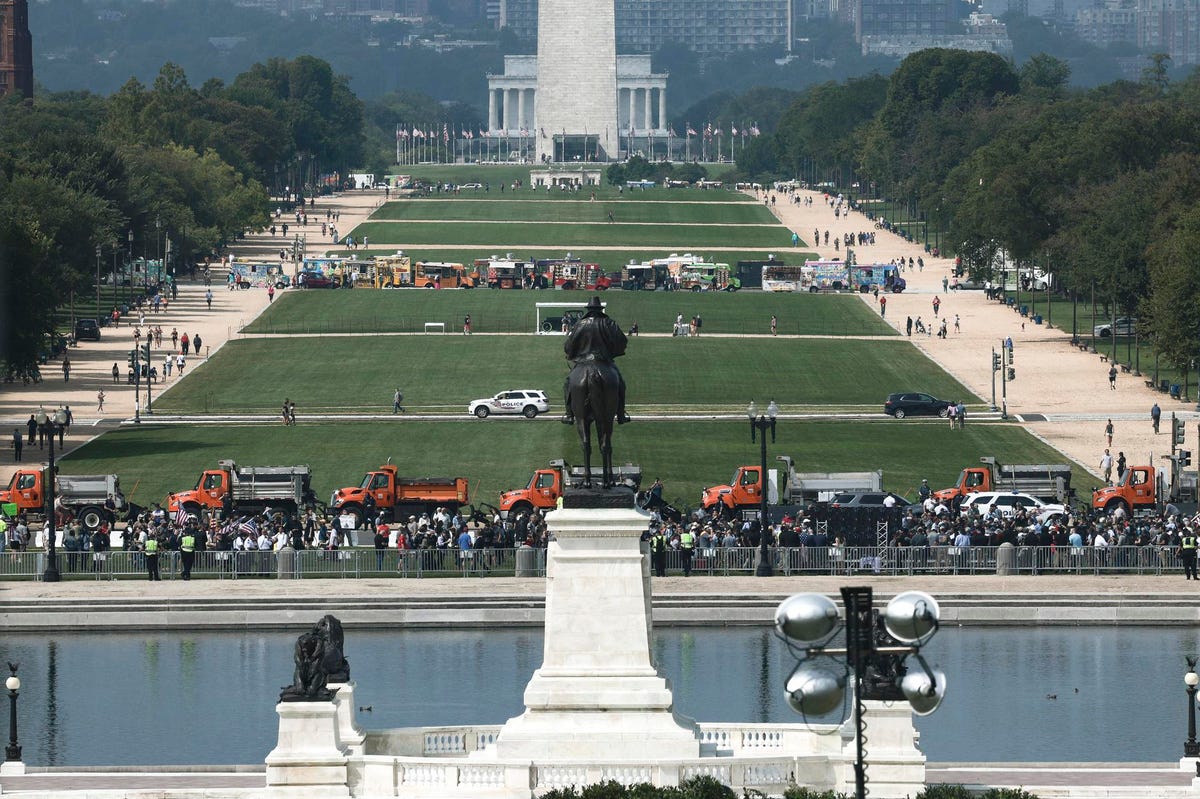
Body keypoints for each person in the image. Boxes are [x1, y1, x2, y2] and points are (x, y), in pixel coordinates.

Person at [560, 296, 630, 425]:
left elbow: (568, 346)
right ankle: (621, 413)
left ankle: (569, 414)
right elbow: (623, 341)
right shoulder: (609, 323)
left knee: (568, 384)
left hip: (583, 361)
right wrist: (614, 353)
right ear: (600, 310)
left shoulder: (580, 324)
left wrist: (572, 354)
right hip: (604, 361)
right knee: (620, 383)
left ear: (589, 310)